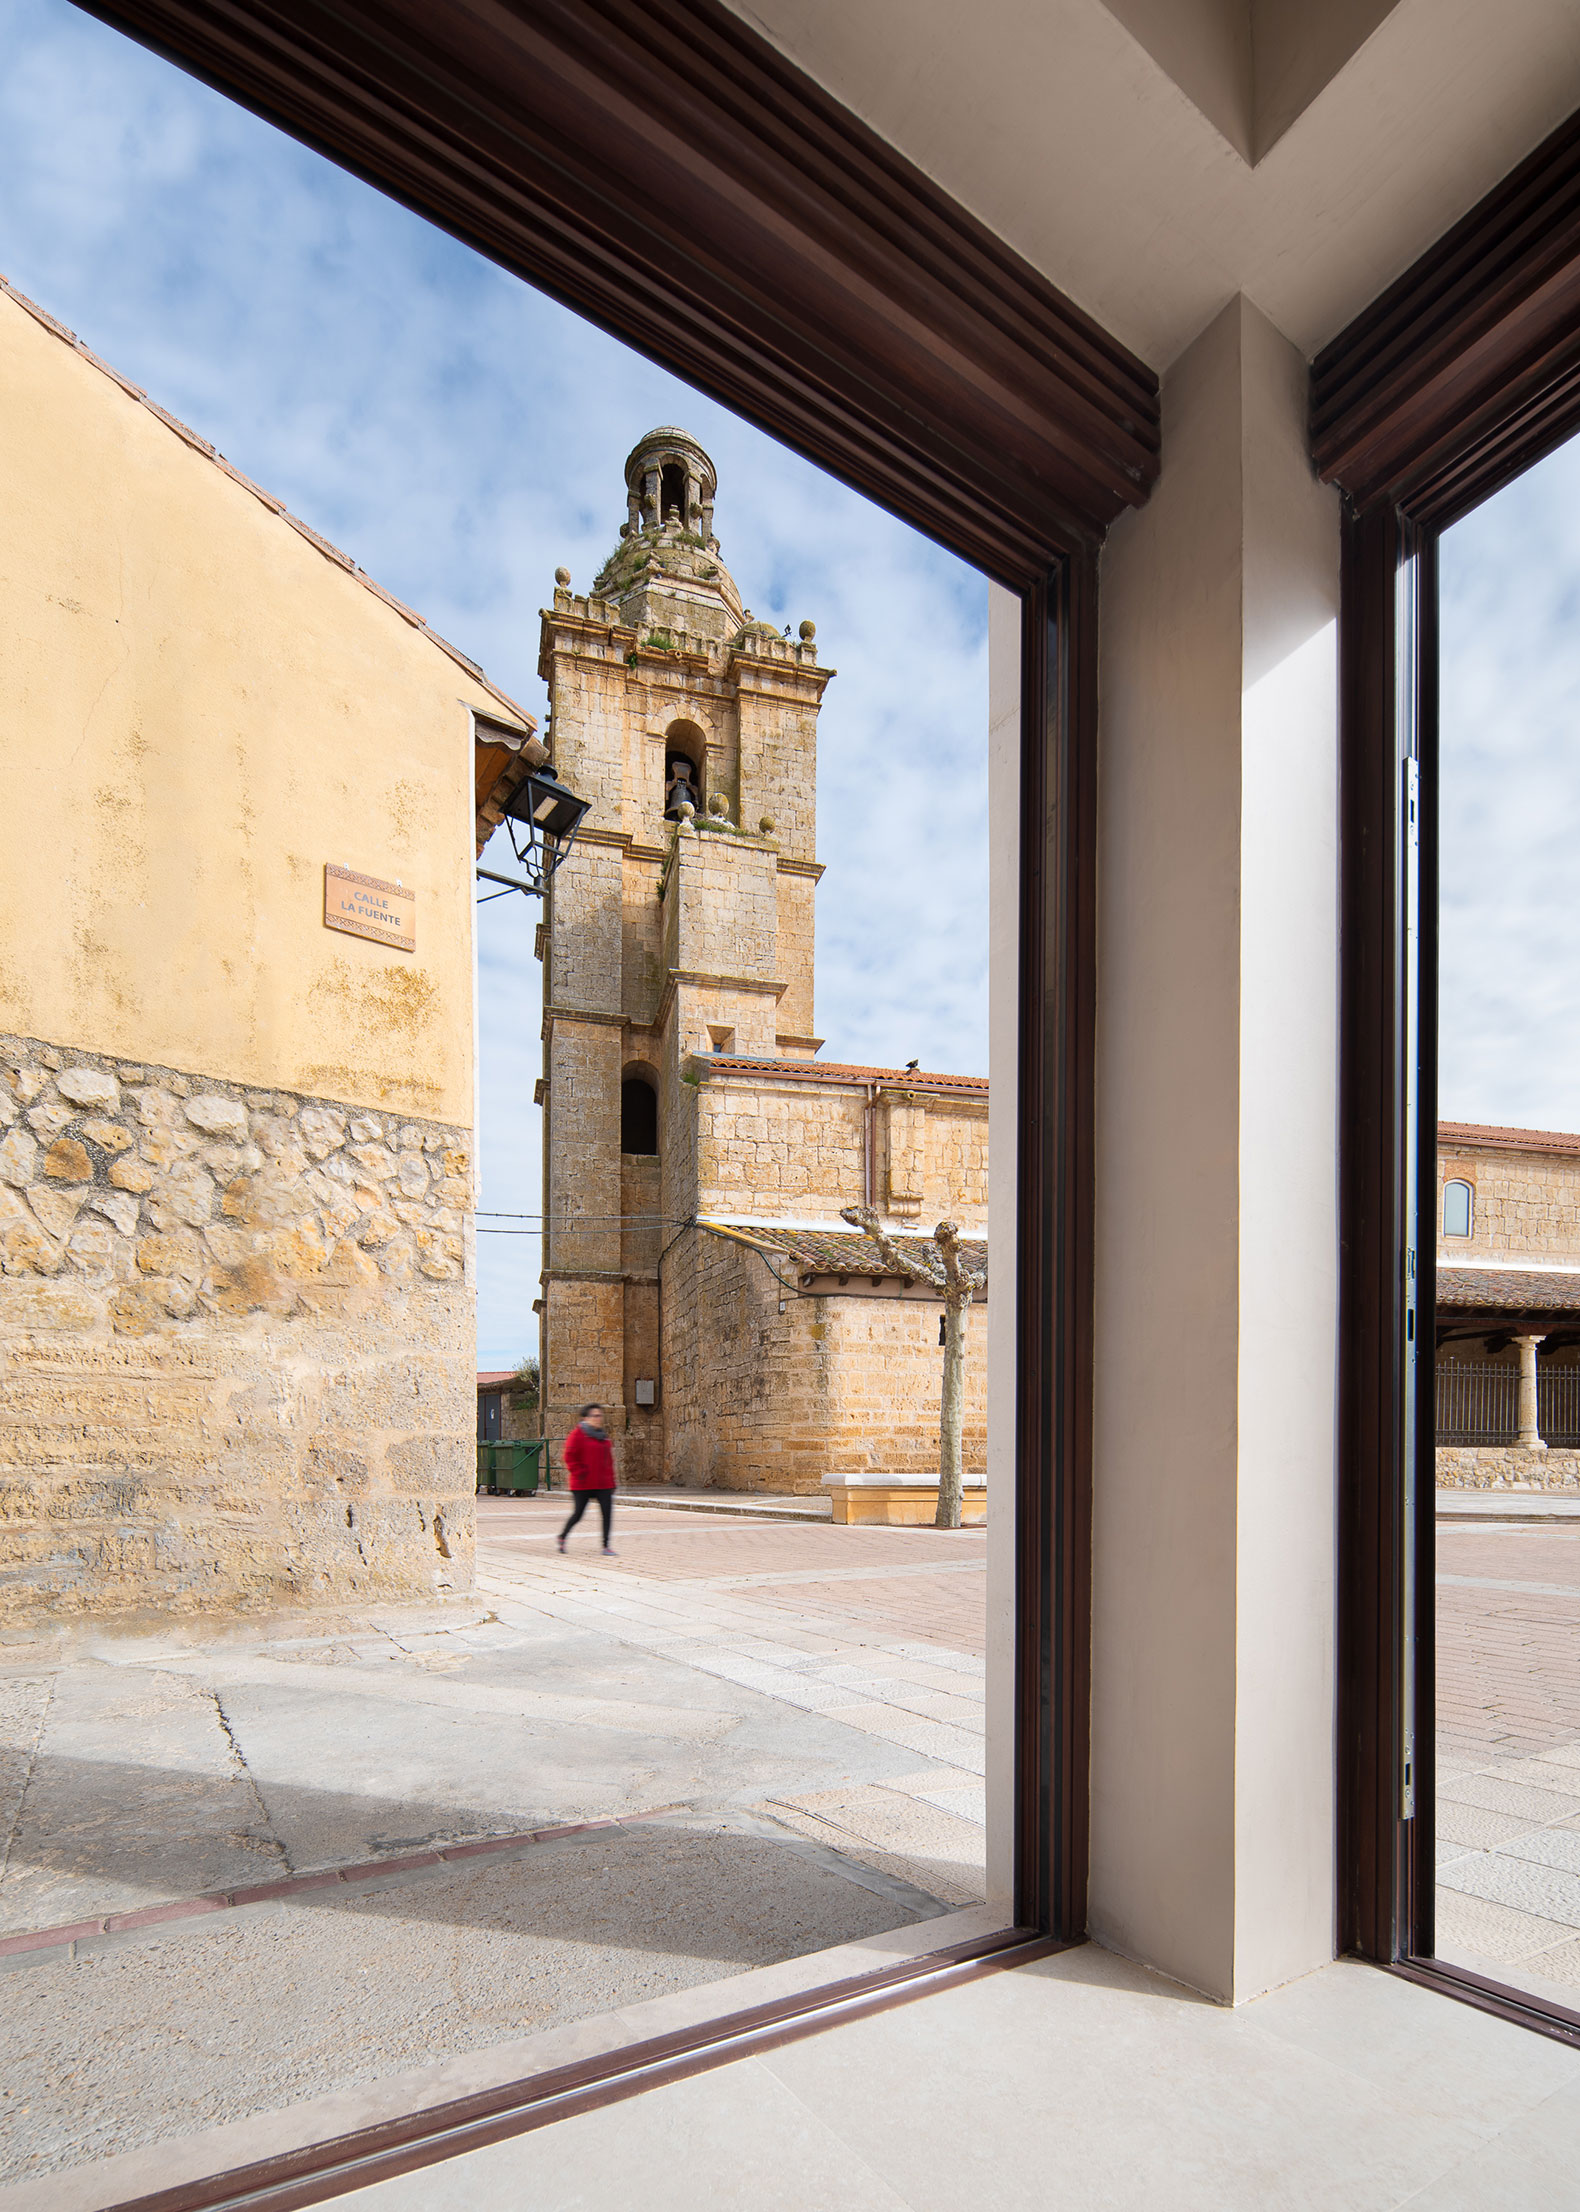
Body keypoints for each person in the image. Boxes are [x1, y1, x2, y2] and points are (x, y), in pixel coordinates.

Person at [558, 1403, 617, 1555]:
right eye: (595, 1416)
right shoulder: (577, 1435)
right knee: (578, 1514)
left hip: (603, 1484)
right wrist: (580, 1472)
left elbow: (608, 1461)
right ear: (586, 1418)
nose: (598, 1419)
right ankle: (562, 1537)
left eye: (600, 1415)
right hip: (582, 1483)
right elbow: (569, 1457)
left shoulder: (603, 1437)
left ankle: (606, 1546)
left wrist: (612, 1481)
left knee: (607, 1513)